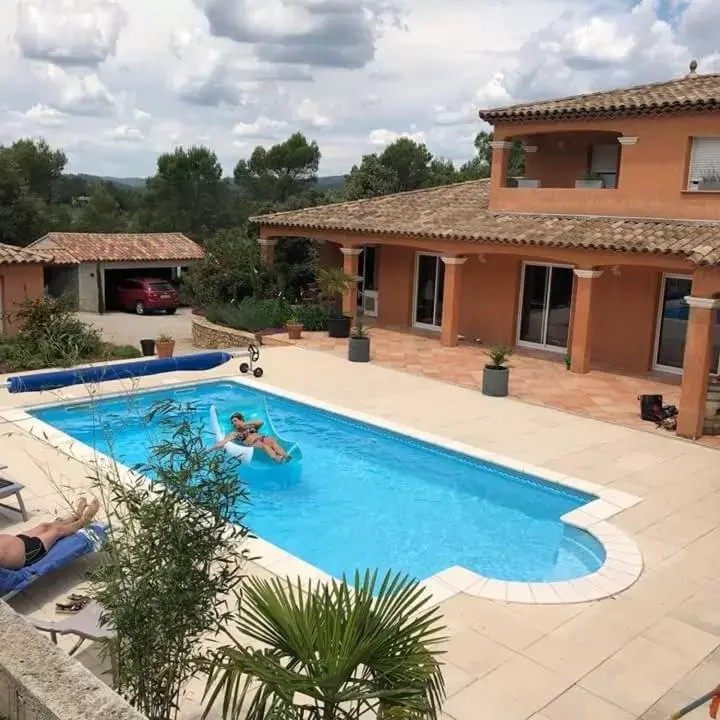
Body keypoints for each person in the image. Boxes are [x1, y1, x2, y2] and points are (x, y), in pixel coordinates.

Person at [0, 496, 100, 571]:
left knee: (43, 526)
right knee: (57, 531)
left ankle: (75, 516)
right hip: (27, 552)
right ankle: (82, 521)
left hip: (18, 540)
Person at [212, 412, 289, 463]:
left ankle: (286, 456)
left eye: (235, 421)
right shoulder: (235, 433)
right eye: (232, 423)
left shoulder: (251, 426)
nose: (233, 424)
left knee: (272, 441)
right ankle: (276, 458)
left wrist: (245, 423)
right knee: (264, 446)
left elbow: (261, 422)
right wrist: (210, 449)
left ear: (241, 420)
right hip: (253, 444)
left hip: (262, 438)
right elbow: (223, 442)